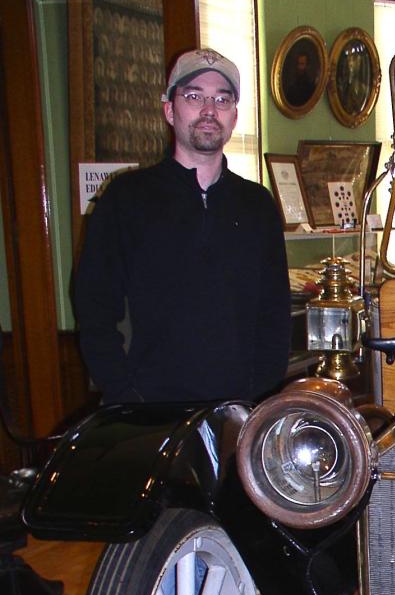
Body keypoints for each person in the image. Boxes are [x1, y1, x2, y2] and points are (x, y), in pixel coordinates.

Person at [75, 47, 291, 404]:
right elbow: (94, 308)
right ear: (169, 110)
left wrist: (258, 395)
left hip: (239, 413)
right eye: (194, 97)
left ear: (234, 116)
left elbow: (274, 314)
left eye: (221, 100)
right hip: (150, 414)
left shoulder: (257, 205)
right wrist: (125, 395)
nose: (209, 110)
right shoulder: (127, 199)